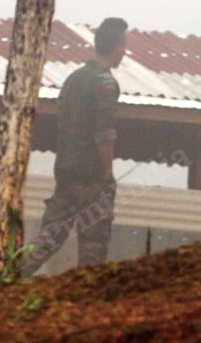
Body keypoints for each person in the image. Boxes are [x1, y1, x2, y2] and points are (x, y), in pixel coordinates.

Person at [23, 17, 126, 276]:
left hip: (66, 171)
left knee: (49, 237)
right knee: (93, 244)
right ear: (117, 47)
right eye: (124, 45)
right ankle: (85, 303)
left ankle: (9, 276)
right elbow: (104, 134)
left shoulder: (74, 79)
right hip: (92, 177)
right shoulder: (106, 83)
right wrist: (107, 175)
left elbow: (63, 122)